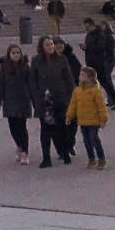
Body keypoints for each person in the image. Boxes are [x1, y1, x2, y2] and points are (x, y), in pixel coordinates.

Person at [31, 36, 79, 167]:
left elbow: (69, 79)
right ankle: (46, 158)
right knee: (46, 130)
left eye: (51, 44)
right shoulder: (36, 61)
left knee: (62, 128)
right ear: (41, 47)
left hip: (61, 98)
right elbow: (33, 81)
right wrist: (36, 97)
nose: (51, 46)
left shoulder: (61, 59)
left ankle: (65, 153)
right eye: (47, 44)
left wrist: (73, 96)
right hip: (45, 100)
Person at [0, 46, 35, 164]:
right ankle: (19, 145)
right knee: (13, 127)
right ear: (9, 55)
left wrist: (34, 100)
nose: (16, 55)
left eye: (18, 53)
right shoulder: (4, 67)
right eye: (13, 53)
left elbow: (31, 84)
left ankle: (25, 152)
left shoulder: (25, 67)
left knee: (22, 126)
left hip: (23, 100)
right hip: (9, 100)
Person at [66, 66, 110, 170]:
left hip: (94, 121)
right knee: (87, 142)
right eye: (80, 75)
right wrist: (69, 116)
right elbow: (73, 105)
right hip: (83, 121)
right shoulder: (77, 91)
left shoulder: (95, 91)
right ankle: (91, 159)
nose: (80, 77)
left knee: (94, 139)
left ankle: (101, 159)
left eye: (83, 75)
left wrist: (103, 119)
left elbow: (101, 107)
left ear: (90, 78)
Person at [83, 17, 115, 110]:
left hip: (99, 63)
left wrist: (88, 47)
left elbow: (100, 47)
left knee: (105, 84)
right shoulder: (89, 35)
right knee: (95, 84)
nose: (86, 29)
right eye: (85, 27)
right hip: (91, 62)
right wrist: (85, 48)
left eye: (87, 27)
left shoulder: (100, 34)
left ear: (92, 25)